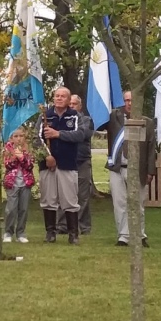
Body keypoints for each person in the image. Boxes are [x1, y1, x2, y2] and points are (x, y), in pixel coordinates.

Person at [103, 91, 157, 247]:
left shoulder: (147, 122)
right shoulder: (114, 117)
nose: (129, 103)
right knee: (119, 203)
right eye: (126, 100)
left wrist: (150, 171)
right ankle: (123, 236)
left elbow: (151, 148)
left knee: (137, 203)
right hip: (117, 168)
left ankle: (140, 234)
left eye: (132, 100)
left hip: (138, 169)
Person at [38, 87, 82, 245]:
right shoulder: (45, 116)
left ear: (68, 100)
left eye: (63, 96)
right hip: (48, 165)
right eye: (57, 96)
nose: (59, 98)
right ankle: (50, 232)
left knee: (70, 200)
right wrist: (47, 156)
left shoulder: (75, 116)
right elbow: (37, 139)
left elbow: (80, 134)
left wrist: (58, 134)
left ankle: (73, 234)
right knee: (48, 199)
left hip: (67, 164)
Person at [2, 128, 34, 244]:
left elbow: (30, 165)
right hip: (12, 183)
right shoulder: (8, 149)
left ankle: (21, 233)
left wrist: (22, 157)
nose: (19, 138)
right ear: (11, 138)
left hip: (25, 183)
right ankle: (8, 232)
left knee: (23, 209)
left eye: (21, 136)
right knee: (11, 209)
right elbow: (7, 164)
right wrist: (15, 157)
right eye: (16, 136)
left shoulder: (28, 149)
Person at [71, 94, 94, 234]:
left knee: (83, 196)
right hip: (67, 162)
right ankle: (64, 226)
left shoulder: (87, 120)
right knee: (66, 195)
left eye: (74, 104)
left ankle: (84, 227)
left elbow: (83, 134)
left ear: (80, 106)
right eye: (70, 104)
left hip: (83, 161)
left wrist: (64, 133)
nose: (72, 106)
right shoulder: (64, 119)